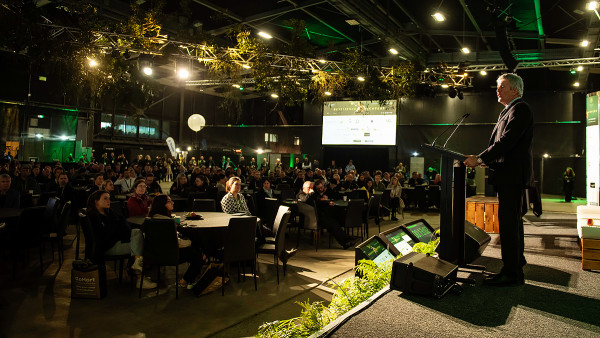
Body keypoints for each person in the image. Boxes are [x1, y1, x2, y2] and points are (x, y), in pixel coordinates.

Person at [464, 73, 533, 287]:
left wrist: (481, 158)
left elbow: (507, 141)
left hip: (511, 177)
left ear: (516, 90)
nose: (497, 89)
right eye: (497, 86)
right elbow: (504, 146)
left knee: (509, 225)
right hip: (508, 175)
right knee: (512, 224)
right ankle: (515, 264)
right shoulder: (509, 110)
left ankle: (512, 273)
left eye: (502, 86)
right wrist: (486, 161)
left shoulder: (519, 109)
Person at [85, 190, 155, 288]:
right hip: (106, 248)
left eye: (109, 198)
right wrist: (118, 229)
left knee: (136, 232)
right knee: (140, 244)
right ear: (96, 201)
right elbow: (105, 236)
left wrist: (118, 229)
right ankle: (140, 279)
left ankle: (136, 264)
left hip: (115, 241)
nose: (108, 201)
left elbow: (122, 224)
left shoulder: (108, 212)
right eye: (105, 198)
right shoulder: (93, 217)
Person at [147, 194, 206, 289]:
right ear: (162, 204)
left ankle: (188, 280)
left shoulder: (150, 219)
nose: (172, 202)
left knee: (196, 251)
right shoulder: (167, 222)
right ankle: (185, 281)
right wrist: (191, 242)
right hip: (169, 255)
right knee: (197, 253)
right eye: (169, 201)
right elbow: (176, 243)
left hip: (153, 254)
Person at [297, 180, 359, 249]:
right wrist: (311, 193)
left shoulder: (312, 194)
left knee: (337, 217)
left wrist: (327, 202)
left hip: (320, 215)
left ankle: (346, 238)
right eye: (309, 188)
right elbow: (306, 200)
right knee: (332, 223)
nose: (311, 189)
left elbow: (319, 200)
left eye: (312, 188)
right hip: (313, 219)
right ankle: (346, 241)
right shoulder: (300, 194)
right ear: (303, 188)